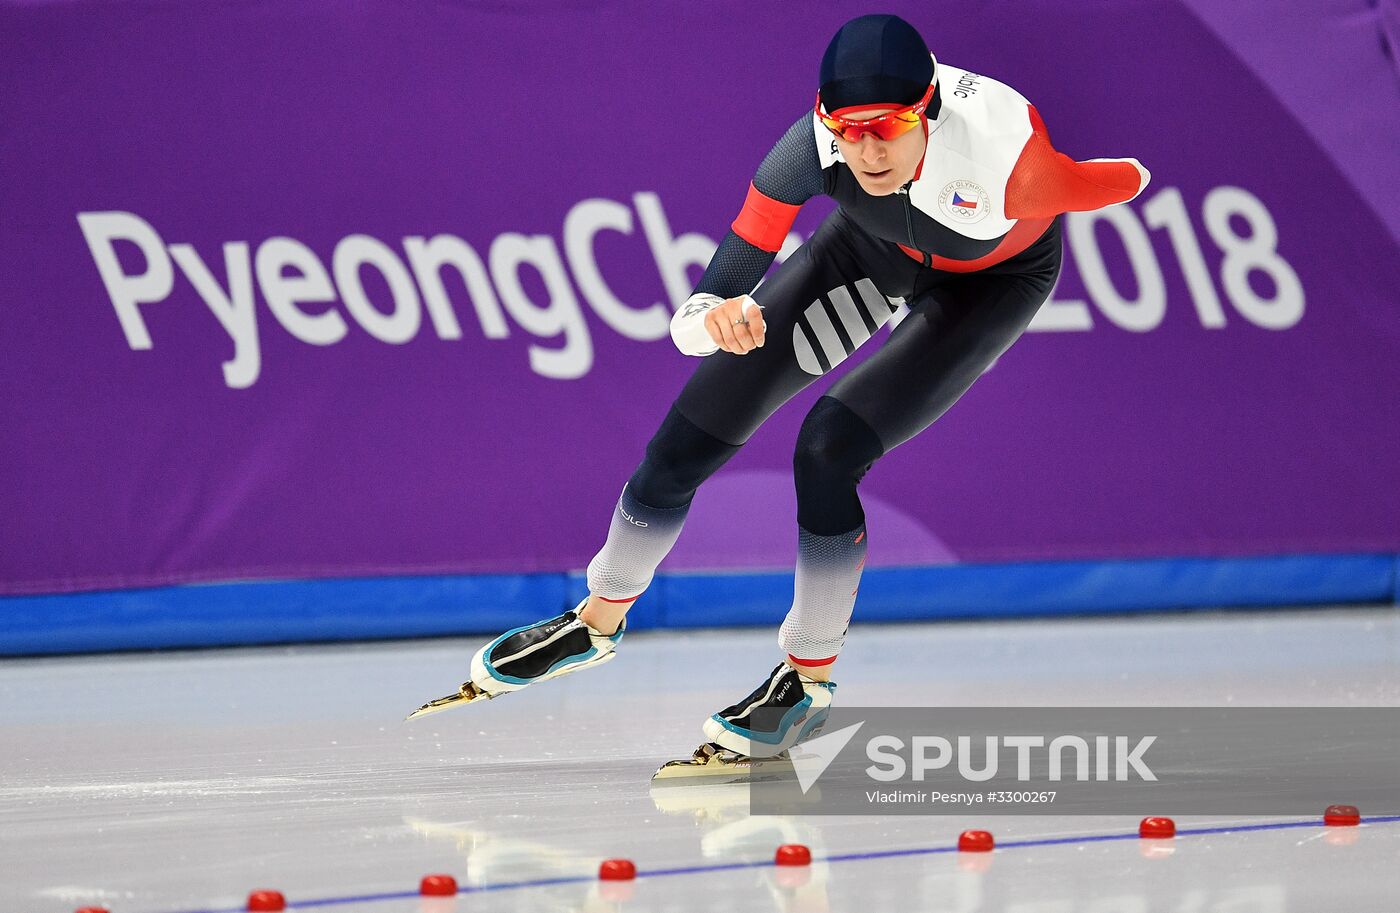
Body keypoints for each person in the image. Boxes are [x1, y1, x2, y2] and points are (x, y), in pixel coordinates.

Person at [458, 14, 1149, 760]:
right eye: (847, 130)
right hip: (870, 250)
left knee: (829, 448)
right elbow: (715, 284)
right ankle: (595, 621)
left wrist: (1133, 174)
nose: (866, 150)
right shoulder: (811, 148)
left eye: (886, 127)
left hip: (990, 284)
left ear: (931, 112)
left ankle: (806, 680)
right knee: (693, 427)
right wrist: (710, 318)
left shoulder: (1012, 164)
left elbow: (1123, 179)